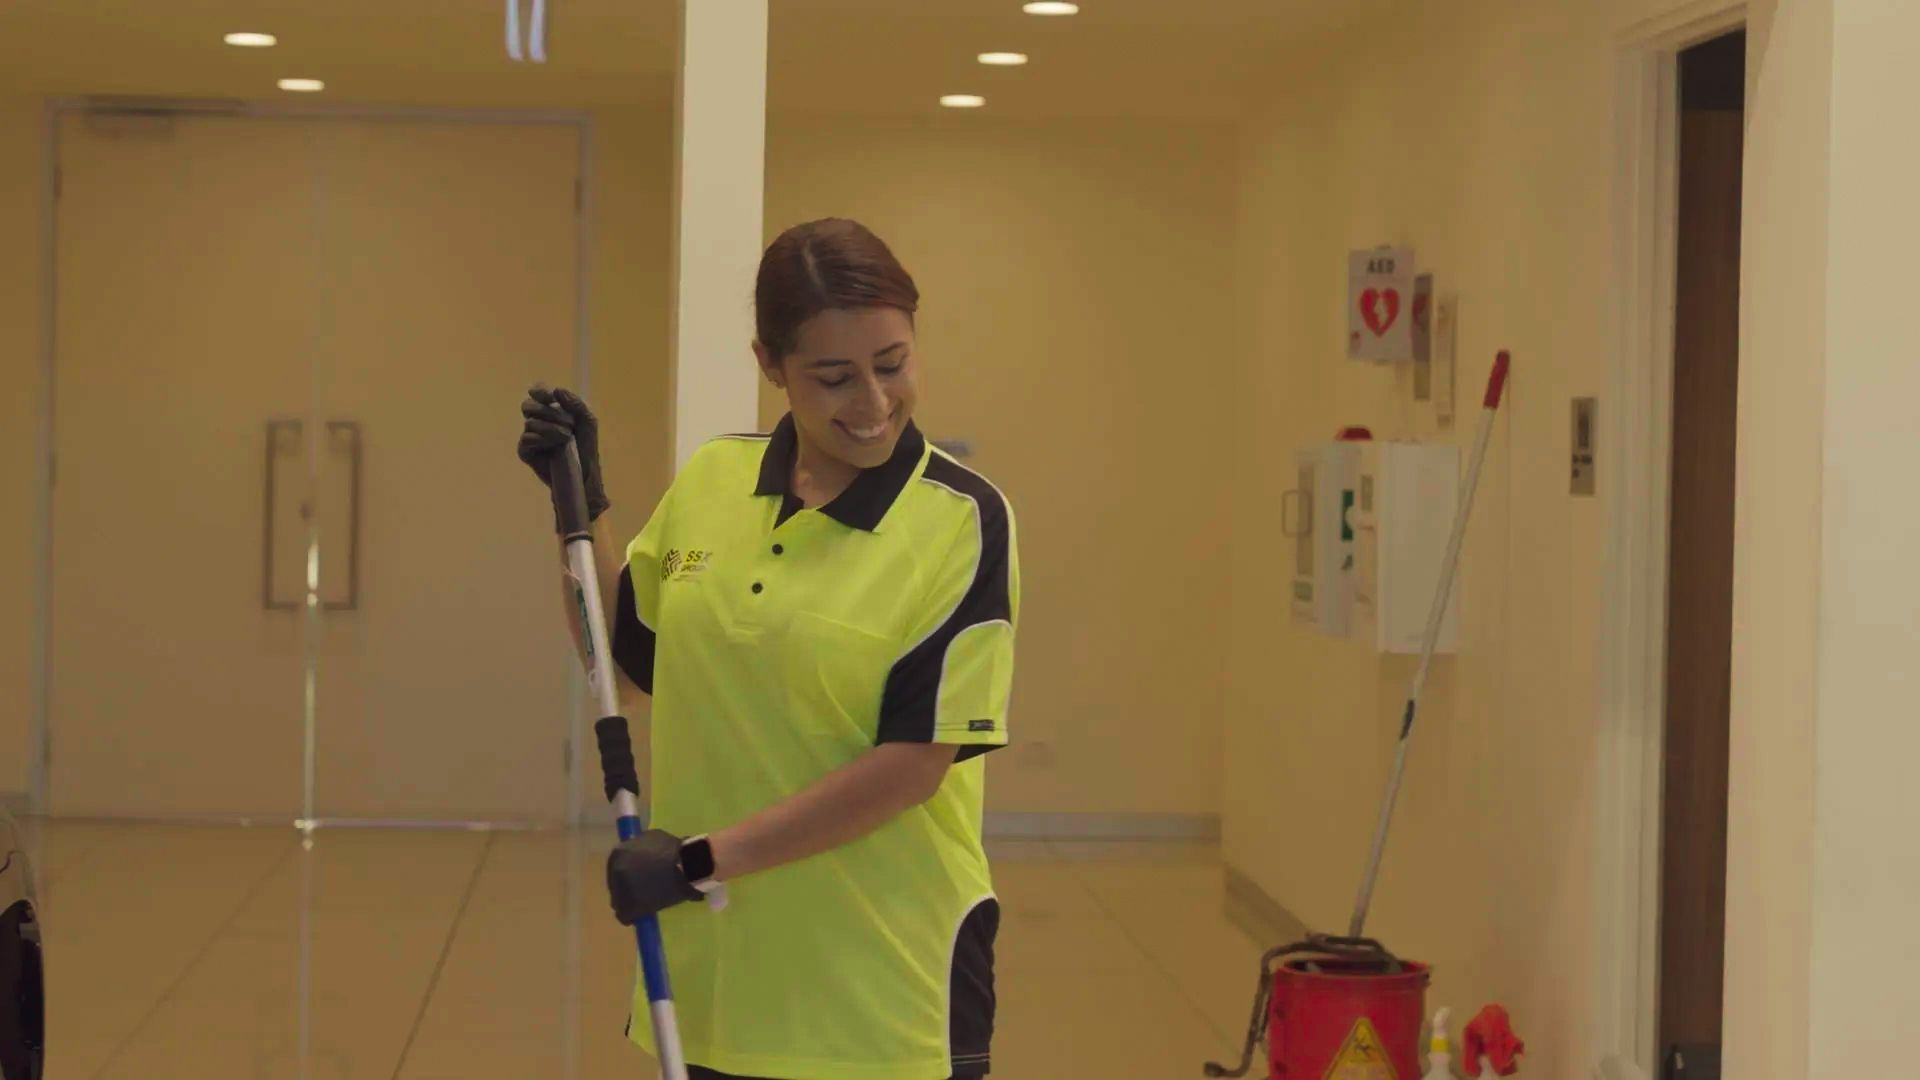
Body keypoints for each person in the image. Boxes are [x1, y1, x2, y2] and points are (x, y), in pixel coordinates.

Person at [517, 218, 1019, 1080]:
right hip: (714, 985)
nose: (873, 403)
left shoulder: (962, 521)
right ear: (769, 365)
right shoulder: (715, 479)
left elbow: (912, 766)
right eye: (834, 377)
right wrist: (579, 510)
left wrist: (699, 861)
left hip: (885, 999)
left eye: (892, 365)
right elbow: (625, 669)